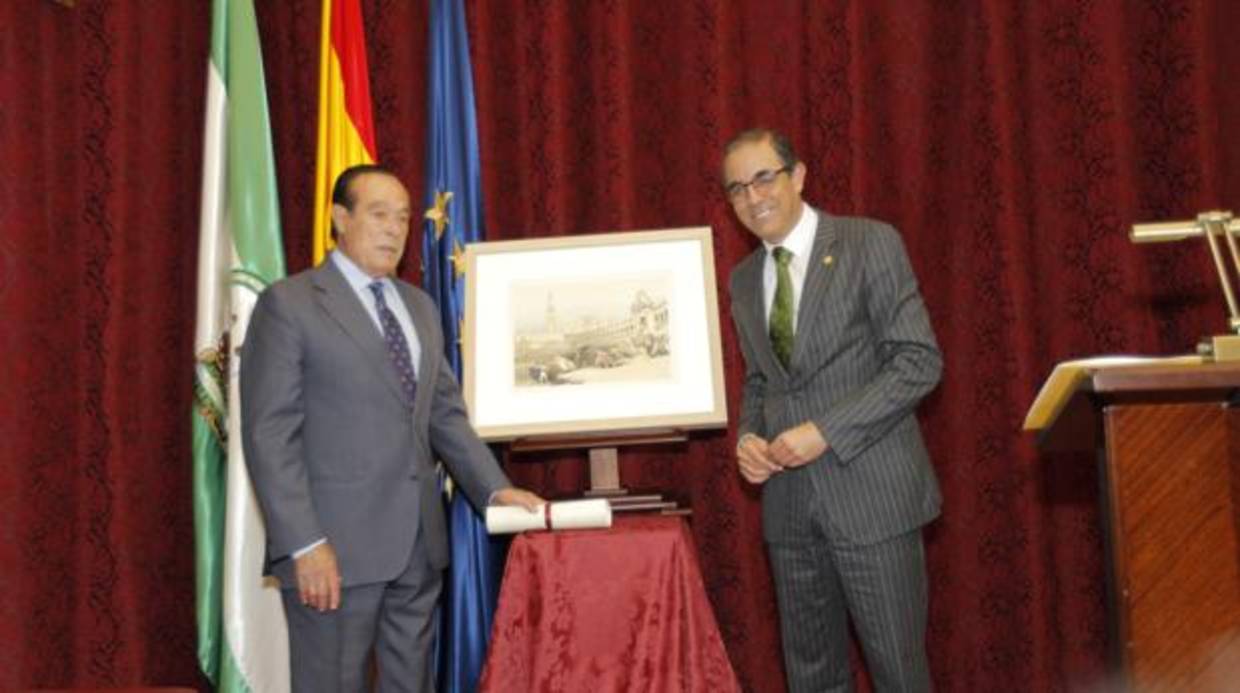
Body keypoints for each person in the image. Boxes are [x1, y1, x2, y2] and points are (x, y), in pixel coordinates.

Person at [240, 164, 543, 693]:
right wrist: (304, 544)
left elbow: (444, 414)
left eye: (403, 218)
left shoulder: (419, 307)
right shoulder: (289, 305)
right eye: (379, 214)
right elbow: (270, 436)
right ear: (339, 218)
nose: (394, 229)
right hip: (330, 553)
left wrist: (494, 489)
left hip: (418, 548)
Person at [723, 129, 942, 692]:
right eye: (737, 189)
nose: (753, 197)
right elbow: (759, 382)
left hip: (874, 502)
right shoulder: (744, 280)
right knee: (812, 679)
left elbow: (918, 361)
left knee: (899, 675)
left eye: (763, 178)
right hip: (790, 511)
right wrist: (749, 438)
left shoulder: (870, 244)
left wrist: (826, 431)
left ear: (798, 177)